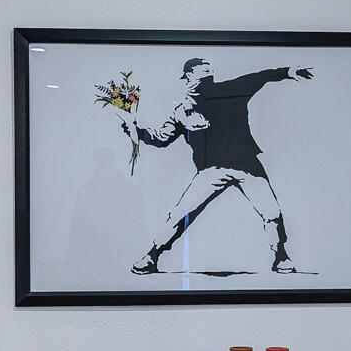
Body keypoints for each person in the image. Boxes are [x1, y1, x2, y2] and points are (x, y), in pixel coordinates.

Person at [124, 56, 312, 274]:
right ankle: (152, 256)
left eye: (209, 68)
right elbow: (161, 139)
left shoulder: (232, 90)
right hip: (211, 170)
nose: (208, 70)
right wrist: (135, 131)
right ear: (188, 76)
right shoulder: (182, 110)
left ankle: (281, 256)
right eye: (201, 68)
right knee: (181, 213)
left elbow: (260, 76)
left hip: (247, 166)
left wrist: (288, 71)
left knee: (271, 211)